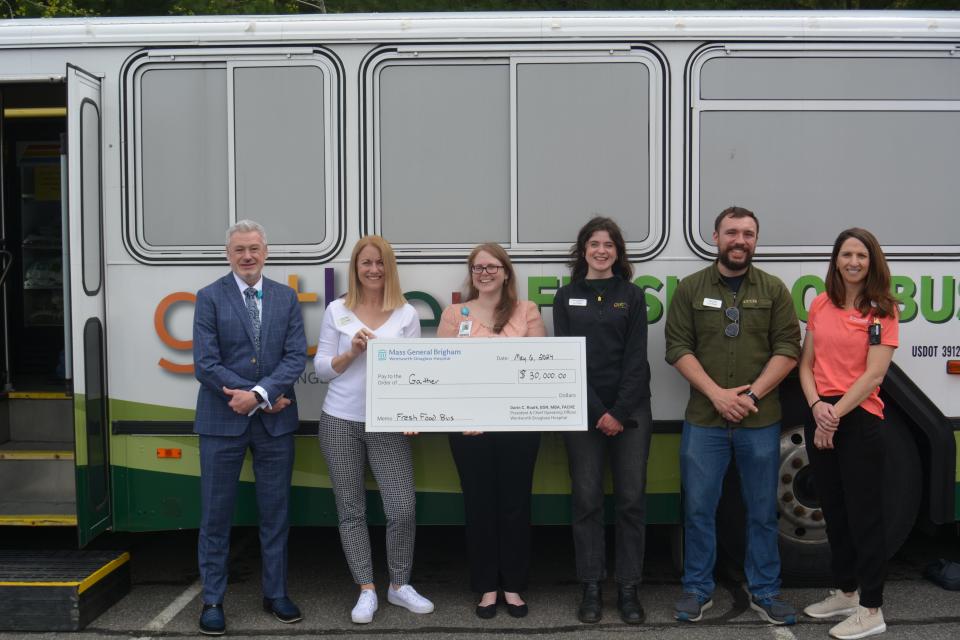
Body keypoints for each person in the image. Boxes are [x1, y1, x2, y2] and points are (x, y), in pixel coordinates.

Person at [665, 206, 801, 625]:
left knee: (762, 511)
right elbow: (677, 348)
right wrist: (718, 396)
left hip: (759, 422)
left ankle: (765, 591)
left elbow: (788, 349)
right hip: (704, 420)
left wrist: (751, 395)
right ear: (716, 236)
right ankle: (697, 590)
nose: (739, 240)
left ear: (755, 240)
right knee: (699, 511)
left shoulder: (775, 289)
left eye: (748, 233)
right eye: (731, 232)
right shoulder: (690, 288)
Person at [193, 220, 307, 636]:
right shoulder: (209, 298)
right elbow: (205, 364)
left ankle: (275, 593)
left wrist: (258, 395)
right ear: (228, 254)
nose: (247, 256)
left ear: (266, 251)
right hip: (222, 421)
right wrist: (255, 396)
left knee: (275, 514)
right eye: (239, 249)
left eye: (254, 249)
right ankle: (212, 600)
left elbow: (296, 357)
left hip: (274, 424)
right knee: (215, 515)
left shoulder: (285, 297)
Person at [313, 235, 434, 624]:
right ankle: (366, 589)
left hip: (388, 423)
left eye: (380, 263)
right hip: (340, 420)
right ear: (356, 267)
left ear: (390, 267)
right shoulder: (337, 310)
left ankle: (399, 586)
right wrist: (352, 352)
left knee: (402, 507)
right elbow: (320, 369)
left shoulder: (406, 314)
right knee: (351, 510)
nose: (374, 269)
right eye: (366, 263)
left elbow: (414, 372)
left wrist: (412, 415)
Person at [437, 243, 546, 620]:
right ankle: (486, 587)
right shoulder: (454, 314)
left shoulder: (526, 311)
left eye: (492, 267)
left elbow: (538, 368)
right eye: (478, 268)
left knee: (515, 505)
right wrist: (459, 416)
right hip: (470, 429)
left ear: (505, 272)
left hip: (519, 426)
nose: (484, 273)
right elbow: (444, 372)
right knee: (479, 505)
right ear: (471, 274)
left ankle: (513, 586)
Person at [552, 217, 652, 625]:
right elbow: (567, 358)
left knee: (631, 500)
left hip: (631, 412)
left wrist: (618, 413)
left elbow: (636, 360)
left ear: (618, 252)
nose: (601, 250)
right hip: (584, 411)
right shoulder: (566, 297)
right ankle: (591, 587)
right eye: (594, 243)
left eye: (609, 244)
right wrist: (598, 413)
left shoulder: (631, 296)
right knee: (587, 500)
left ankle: (628, 589)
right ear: (583, 250)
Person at [800, 228, 898, 640]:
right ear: (836, 260)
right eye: (846, 254)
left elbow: (874, 374)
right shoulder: (821, 304)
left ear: (872, 261)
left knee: (864, 517)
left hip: (857, 418)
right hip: (821, 411)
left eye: (861, 255)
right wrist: (816, 409)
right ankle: (846, 591)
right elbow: (806, 364)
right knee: (834, 512)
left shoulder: (882, 310)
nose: (853, 261)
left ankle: (872, 609)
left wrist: (833, 415)